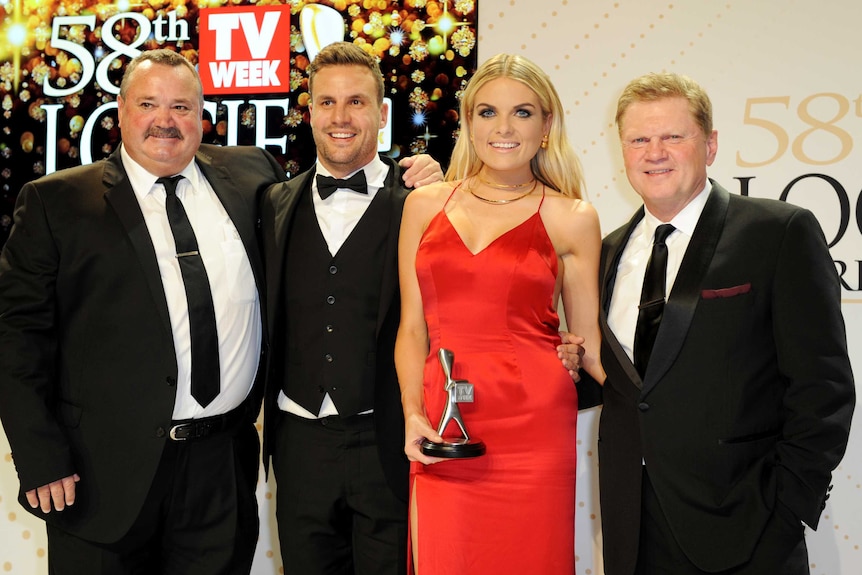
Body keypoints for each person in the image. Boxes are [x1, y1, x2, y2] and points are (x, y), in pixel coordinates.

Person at [0, 49, 287, 574]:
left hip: (221, 468)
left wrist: (411, 181)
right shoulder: (55, 203)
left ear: (202, 113)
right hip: (99, 473)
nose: (165, 120)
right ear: (121, 111)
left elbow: (326, 208)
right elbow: (17, 337)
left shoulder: (252, 176)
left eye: (181, 106)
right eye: (149, 103)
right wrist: (40, 458)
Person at [594, 71, 855, 574]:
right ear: (622, 150)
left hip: (748, 527)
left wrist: (785, 511)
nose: (655, 152)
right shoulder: (607, 252)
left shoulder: (777, 232)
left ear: (710, 145)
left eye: (674, 136)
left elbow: (823, 389)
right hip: (634, 531)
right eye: (639, 139)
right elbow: (625, 389)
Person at [394, 53, 604, 574]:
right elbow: (412, 327)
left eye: (523, 113)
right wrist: (411, 412)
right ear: (467, 123)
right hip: (445, 426)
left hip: (534, 426)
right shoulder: (424, 205)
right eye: (487, 112)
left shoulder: (573, 217)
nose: (504, 128)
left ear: (547, 124)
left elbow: (590, 342)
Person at [258, 41, 448, 575]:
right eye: (327, 102)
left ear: (382, 113)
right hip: (298, 446)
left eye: (357, 103)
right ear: (309, 110)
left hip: (387, 440)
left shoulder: (422, 202)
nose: (340, 118)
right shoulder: (273, 203)